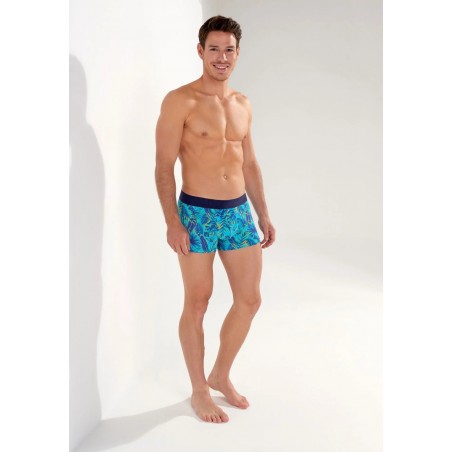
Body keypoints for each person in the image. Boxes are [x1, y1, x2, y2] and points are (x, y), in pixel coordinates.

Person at [154, 15, 275, 424]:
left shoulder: (243, 103)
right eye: (214, 49)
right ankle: (199, 390)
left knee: (250, 299)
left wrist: (263, 213)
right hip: (197, 214)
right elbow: (163, 166)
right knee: (198, 302)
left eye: (229, 50)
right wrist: (173, 222)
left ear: (238, 53)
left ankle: (220, 374)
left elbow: (250, 163)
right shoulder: (180, 101)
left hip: (238, 212)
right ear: (200, 51)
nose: (221, 57)